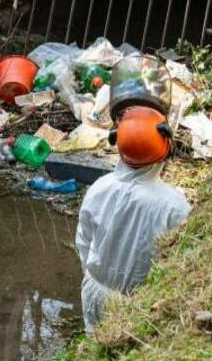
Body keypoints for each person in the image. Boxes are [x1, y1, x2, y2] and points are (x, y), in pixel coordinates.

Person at [75, 105, 190, 331]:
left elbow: (83, 242)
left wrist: (93, 276)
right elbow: (179, 262)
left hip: (94, 289)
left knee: (94, 351)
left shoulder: (99, 187)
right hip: (137, 304)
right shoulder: (175, 206)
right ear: (165, 150)